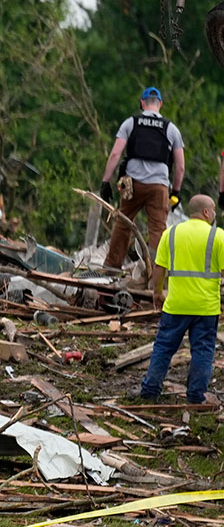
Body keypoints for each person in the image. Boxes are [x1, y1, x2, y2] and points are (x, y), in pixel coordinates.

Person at [138, 193, 221, 405]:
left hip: (175, 305)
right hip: (206, 308)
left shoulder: (171, 233)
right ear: (205, 212)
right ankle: (195, 396)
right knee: (202, 351)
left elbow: (160, 267)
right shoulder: (218, 236)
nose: (214, 214)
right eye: (212, 210)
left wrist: (157, 293)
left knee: (164, 348)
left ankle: (150, 390)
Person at [100, 87, 186, 273]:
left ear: (142, 103)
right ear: (160, 104)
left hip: (132, 184)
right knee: (157, 230)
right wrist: (176, 192)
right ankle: (156, 274)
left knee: (123, 223)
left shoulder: (131, 123)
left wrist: (105, 182)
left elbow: (115, 154)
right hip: (159, 187)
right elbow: (180, 166)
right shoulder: (171, 129)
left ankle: (111, 268)